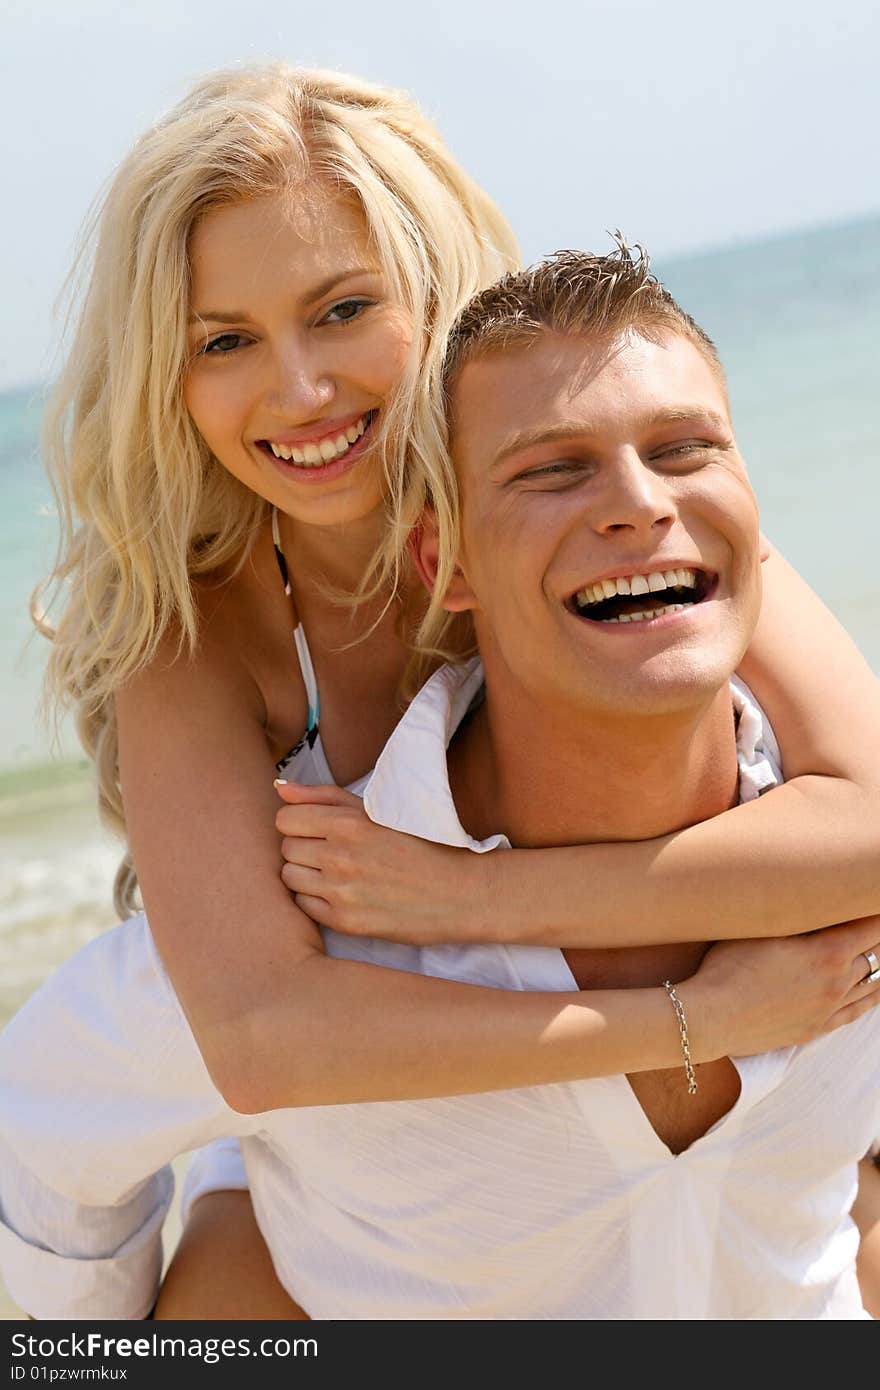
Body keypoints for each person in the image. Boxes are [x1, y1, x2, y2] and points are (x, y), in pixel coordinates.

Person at [1, 58, 878, 1316]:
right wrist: (700, 1017)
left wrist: (479, 892)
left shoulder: (590, 513)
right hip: (371, 1135)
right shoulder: (200, 634)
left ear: (432, 289)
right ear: (169, 376)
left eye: (344, 309)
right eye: (226, 341)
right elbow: (254, 1035)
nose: (298, 389)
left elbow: (869, 820)